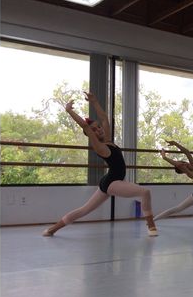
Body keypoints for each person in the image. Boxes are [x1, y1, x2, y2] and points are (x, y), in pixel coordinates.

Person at [43, 92, 158, 237]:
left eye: (99, 127)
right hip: (112, 183)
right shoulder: (100, 147)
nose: (99, 130)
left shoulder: (108, 140)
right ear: (92, 135)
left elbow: (104, 118)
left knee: (84, 210)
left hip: (110, 181)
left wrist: (94, 101)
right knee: (145, 192)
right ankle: (151, 226)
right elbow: (85, 126)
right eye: (95, 130)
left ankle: (51, 230)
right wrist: (70, 111)